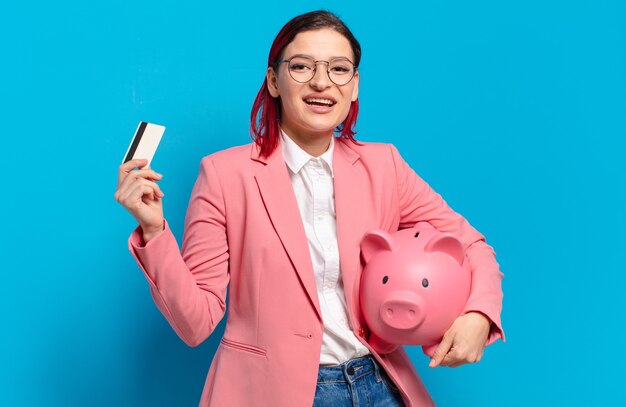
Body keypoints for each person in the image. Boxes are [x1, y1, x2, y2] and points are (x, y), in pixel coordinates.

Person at [114, 10, 504, 407]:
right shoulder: (223, 175)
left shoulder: (384, 165)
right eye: (301, 66)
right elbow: (195, 323)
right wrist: (154, 232)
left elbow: (471, 245)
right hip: (273, 394)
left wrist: (478, 315)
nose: (321, 81)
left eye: (339, 69)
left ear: (354, 87)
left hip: (378, 386)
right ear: (273, 81)